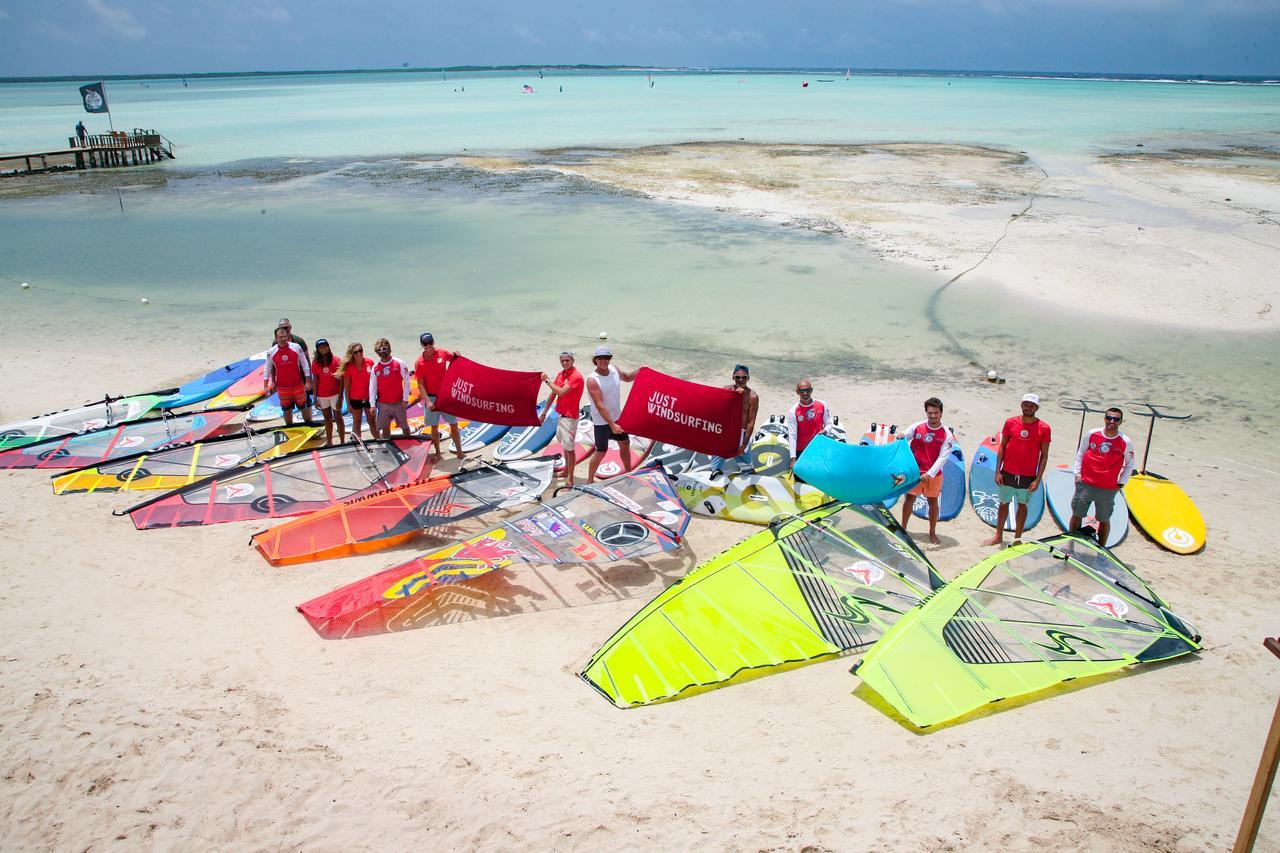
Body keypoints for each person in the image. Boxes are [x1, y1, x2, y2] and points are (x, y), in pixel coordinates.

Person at [982, 393, 1052, 546]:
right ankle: (998, 536)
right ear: (1021, 405)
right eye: (1026, 404)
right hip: (1007, 472)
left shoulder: (1044, 428)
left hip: (1028, 476)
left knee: (1022, 506)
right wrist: (998, 471)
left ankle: (1017, 539)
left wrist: (1038, 479)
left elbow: (1044, 456)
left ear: (1036, 408)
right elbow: (1002, 446)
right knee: (1003, 504)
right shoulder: (1010, 422)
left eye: (1032, 405)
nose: (1028, 407)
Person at [1069, 406, 1135, 543]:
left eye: (1116, 419)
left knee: (1103, 519)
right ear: (1104, 418)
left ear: (1120, 422)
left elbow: (1130, 464)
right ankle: (1071, 544)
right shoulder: (1092, 434)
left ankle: (1101, 549)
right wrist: (1077, 474)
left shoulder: (1125, 441)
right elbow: (1081, 453)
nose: (1112, 421)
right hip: (1085, 483)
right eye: (1109, 418)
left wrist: (1122, 482)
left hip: (1107, 488)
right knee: (1077, 514)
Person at [900, 397, 957, 544]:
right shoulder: (918, 426)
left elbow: (943, 458)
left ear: (941, 414)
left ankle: (932, 532)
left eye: (936, 413)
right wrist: (901, 436)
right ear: (926, 412)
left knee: (933, 502)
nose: (933, 415)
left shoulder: (947, 434)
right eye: (930, 412)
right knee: (909, 499)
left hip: (934, 475)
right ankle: (903, 529)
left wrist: (929, 474)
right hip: (915, 473)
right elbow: (904, 437)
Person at [585, 345, 639, 483]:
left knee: (625, 444)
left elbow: (627, 377)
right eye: (600, 358)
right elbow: (599, 405)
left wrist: (640, 371)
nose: (604, 361)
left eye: (607, 358)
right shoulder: (593, 380)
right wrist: (612, 424)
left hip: (617, 418)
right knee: (601, 451)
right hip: (602, 422)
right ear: (595, 360)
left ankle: (628, 474)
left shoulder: (614, 369)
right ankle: (590, 480)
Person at [414, 332, 464, 460]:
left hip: (445, 395)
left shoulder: (442, 353)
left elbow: (455, 360)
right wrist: (428, 402)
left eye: (430, 343)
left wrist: (458, 355)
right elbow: (420, 385)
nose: (428, 346)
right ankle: (437, 453)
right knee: (434, 426)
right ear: (422, 345)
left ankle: (459, 451)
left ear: (433, 342)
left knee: (453, 424)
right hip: (430, 397)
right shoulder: (419, 363)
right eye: (425, 344)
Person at [540, 350, 586, 486]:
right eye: (562, 360)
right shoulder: (561, 374)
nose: (565, 362)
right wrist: (544, 412)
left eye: (567, 360)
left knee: (570, 450)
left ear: (572, 361)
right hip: (561, 415)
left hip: (570, 418)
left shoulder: (576, 377)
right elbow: (554, 393)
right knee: (565, 446)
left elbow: (561, 392)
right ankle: (566, 471)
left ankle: (570, 480)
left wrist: (547, 380)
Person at [710, 364, 760, 476]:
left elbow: (751, 422)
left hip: (741, 436)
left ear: (748, 378)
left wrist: (744, 444)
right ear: (733, 377)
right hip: (725, 434)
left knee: (748, 469)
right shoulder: (726, 390)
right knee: (715, 468)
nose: (741, 380)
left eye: (744, 377)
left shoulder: (752, 397)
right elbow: (717, 411)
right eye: (738, 377)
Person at [264, 325, 313, 427]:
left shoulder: (296, 347)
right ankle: (289, 428)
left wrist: (308, 381)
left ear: (287, 336)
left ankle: (309, 425)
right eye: (280, 337)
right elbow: (267, 368)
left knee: (303, 407)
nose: (283, 339)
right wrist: (266, 386)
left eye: (284, 337)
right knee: (287, 410)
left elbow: (304, 364)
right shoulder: (271, 352)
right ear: (276, 338)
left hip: (298, 385)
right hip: (282, 387)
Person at [369, 338, 411, 439]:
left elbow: (407, 380)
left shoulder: (399, 363)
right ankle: (387, 449)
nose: (382, 352)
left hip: (398, 403)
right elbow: (372, 387)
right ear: (377, 352)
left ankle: (409, 445)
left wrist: (405, 399)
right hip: (383, 404)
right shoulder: (375, 368)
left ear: (389, 348)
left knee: (404, 427)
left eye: (384, 348)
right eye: (379, 350)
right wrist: (372, 405)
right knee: (385, 428)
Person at [785, 380, 832, 465]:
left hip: (818, 448)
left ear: (811, 390)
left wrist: (825, 431)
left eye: (807, 390)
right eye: (802, 391)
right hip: (801, 450)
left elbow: (828, 424)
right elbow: (792, 435)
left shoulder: (822, 404)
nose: (805, 393)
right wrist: (793, 459)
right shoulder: (793, 411)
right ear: (797, 392)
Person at [310, 339, 345, 446]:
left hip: (335, 394)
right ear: (318, 349)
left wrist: (340, 398)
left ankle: (342, 441)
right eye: (321, 347)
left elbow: (341, 381)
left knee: (338, 418)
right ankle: (329, 442)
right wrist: (315, 398)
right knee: (327, 419)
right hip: (322, 395)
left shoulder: (337, 361)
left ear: (329, 347)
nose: (323, 348)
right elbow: (315, 381)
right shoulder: (315, 363)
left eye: (325, 346)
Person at [338, 342, 374, 441]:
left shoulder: (370, 363)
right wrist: (348, 404)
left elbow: (375, 382)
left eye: (360, 351)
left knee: (371, 421)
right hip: (355, 399)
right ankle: (356, 443)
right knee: (357, 422)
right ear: (352, 354)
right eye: (356, 352)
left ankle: (378, 440)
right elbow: (347, 387)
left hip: (368, 398)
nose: (359, 354)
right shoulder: (349, 367)